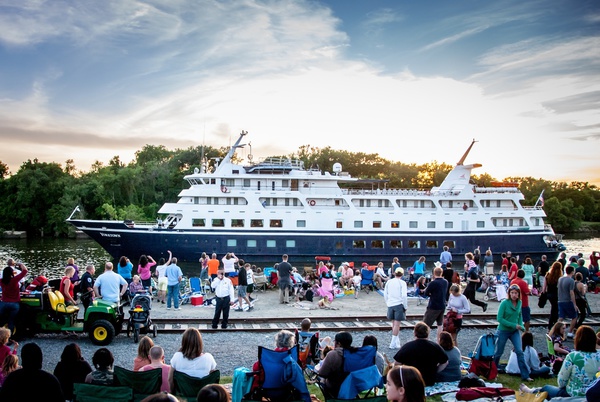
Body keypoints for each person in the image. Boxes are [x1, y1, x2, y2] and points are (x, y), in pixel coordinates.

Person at [520, 326, 600, 399]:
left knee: (547, 388)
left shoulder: (573, 356)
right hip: (596, 395)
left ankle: (531, 391)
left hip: (573, 394)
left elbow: (561, 382)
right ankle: (532, 390)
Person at [493, 284, 532, 381]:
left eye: (516, 293)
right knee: (498, 352)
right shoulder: (504, 303)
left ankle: (525, 375)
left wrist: (521, 326)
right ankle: (492, 372)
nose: (514, 295)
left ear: (519, 294)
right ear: (509, 294)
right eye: (512, 293)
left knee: (519, 351)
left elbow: (519, 316)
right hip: (503, 330)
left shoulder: (519, 303)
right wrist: (514, 325)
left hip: (514, 331)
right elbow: (499, 319)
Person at [393, 322, 448, 386]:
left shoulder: (407, 347)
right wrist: (435, 371)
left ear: (415, 333)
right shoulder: (435, 346)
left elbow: (397, 364)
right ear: (428, 333)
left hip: (411, 381)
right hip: (429, 380)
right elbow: (445, 362)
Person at [316, 331, 355, 398]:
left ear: (338, 343)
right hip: (352, 387)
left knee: (319, 378)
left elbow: (322, 373)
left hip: (335, 388)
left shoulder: (333, 354)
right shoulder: (355, 353)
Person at [0, 261, 28, 334]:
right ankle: (9, 338)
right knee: (11, 321)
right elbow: (25, 271)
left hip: (3, 303)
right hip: (14, 304)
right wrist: (20, 264)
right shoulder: (14, 280)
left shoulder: (1, 281)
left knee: (1, 320)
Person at [383, 267, 408, 349]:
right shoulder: (402, 283)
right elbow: (404, 295)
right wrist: (405, 306)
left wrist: (387, 302)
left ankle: (397, 342)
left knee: (393, 324)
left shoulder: (389, 282)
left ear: (394, 273)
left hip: (390, 304)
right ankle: (393, 343)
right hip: (399, 304)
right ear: (402, 274)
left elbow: (385, 294)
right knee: (397, 325)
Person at [423, 266, 448, 330]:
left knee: (426, 324)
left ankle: (425, 338)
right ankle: (439, 339)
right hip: (442, 305)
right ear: (441, 273)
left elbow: (426, 293)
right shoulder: (445, 282)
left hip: (433, 306)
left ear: (434, 273)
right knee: (440, 325)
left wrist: (431, 294)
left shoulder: (433, 283)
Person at [558, 265, 577, 338]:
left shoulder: (560, 279)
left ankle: (556, 331)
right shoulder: (571, 280)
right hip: (568, 300)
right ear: (572, 272)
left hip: (560, 300)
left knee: (561, 317)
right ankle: (570, 332)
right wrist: (574, 304)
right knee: (574, 317)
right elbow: (571, 293)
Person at [542, 261, 563, 330]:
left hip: (550, 294)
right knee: (555, 310)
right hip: (557, 295)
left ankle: (552, 325)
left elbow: (544, 287)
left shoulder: (548, 275)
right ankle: (552, 325)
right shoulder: (560, 277)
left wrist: (543, 294)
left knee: (554, 309)